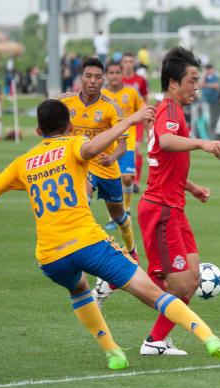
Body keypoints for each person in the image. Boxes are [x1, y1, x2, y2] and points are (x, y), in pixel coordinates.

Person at [0, 98, 220, 370]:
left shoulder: (23, 162)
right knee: (153, 293)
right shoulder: (73, 144)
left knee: (79, 288)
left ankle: (113, 352)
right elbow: (90, 148)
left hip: (50, 256)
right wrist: (131, 120)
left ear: (39, 131)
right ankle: (211, 340)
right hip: (87, 243)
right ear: (70, 127)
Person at [136, 47, 220, 356]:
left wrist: (191, 188)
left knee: (191, 280)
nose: (196, 87)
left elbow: (162, 161)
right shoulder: (171, 110)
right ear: (173, 83)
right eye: (191, 80)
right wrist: (203, 143)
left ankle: (156, 340)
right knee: (177, 285)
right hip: (161, 208)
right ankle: (119, 280)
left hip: (174, 205)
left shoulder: (170, 110)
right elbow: (165, 142)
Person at [59, 58, 138, 262]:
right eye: (88, 76)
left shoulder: (111, 107)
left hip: (106, 167)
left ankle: (131, 250)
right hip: (80, 165)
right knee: (81, 204)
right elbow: (49, 122)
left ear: (103, 80)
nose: (93, 81)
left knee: (119, 216)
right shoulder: (64, 102)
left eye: (97, 77)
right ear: (81, 78)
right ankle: (84, 252)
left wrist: (112, 158)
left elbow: (122, 145)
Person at [100, 61, 145, 231]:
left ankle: (126, 209)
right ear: (106, 75)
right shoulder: (101, 95)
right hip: (107, 144)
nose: (114, 76)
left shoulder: (132, 92)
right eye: (111, 73)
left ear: (122, 74)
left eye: (117, 72)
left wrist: (145, 135)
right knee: (110, 181)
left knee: (126, 178)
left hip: (127, 141)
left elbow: (142, 112)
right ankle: (112, 217)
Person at [121, 52, 149, 193]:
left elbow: (145, 100)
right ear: (122, 63)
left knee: (136, 148)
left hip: (136, 121)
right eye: (125, 61)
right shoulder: (117, 79)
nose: (128, 64)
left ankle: (136, 181)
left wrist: (147, 123)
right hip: (119, 122)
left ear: (134, 63)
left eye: (130, 61)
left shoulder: (140, 80)